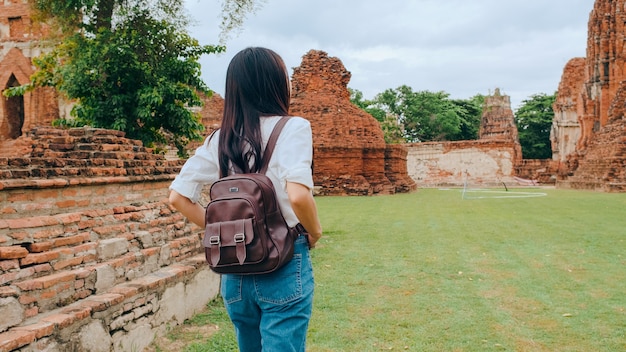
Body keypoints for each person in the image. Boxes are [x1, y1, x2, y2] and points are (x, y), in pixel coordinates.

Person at [168, 47, 322, 352]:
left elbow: (177, 197)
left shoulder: (219, 139)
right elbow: (298, 194)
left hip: (235, 264)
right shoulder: (293, 128)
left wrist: (218, 231)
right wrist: (315, 232)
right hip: (285, 259)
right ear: (276, 83)